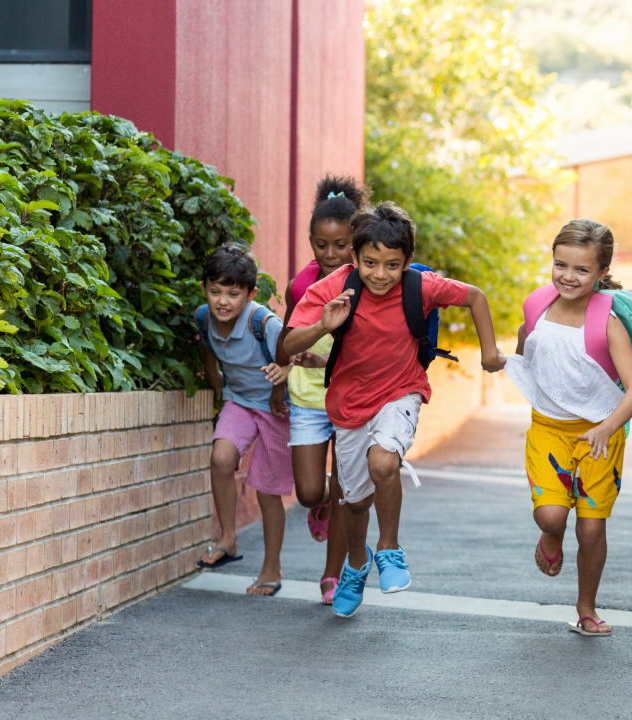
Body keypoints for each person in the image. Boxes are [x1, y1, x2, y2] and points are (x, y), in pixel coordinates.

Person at [282, 201, 506, 618]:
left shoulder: (421, 287)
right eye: (370, 263)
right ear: (355, 257)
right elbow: (288, 344)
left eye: (392, 265)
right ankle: (355, 564)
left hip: (401, 393)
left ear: (407, 261)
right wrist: (322, 327)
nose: (380, 275)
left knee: (383, 463)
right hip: (349, 405)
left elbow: (475, 296)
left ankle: (389, 548)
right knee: (352, 502)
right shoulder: (333, 287)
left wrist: (489, 353)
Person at [504, 218, 632, 638]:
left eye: (582, 270)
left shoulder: (608, 322)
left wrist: (606, 428)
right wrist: (505, 360)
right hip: (548, 429)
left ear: (601, 273)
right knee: (551, 516)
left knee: (591, 526)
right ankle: (552, 536)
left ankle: (586, 607)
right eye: (560, 265)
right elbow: (527, 344)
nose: (568, 276)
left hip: (601, 435)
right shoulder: (537, 306)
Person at [276, 175, 365, 604]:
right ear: (311, 241)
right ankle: (324, 503)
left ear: (357, 240)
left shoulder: (373, 280)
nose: (331, 255)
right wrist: (284, 374)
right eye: (321, 245)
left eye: (341, 244)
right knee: (311, 491)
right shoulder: (302, 285)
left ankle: (333, 574)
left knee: (348, 489)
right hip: (309, 397)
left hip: (353, 401)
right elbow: (286, 341)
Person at [195, 245, 294, 598]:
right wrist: (212, 378)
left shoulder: (263, 322)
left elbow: (291, 351)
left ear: (250, 293)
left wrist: (280, 383)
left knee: (267, 492)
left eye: (233, 293)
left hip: (274, 407)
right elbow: (208, 346)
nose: (223, 301)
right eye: (215, 290)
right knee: (221, 457)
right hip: (238, 401)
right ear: (205, 287)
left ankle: (271, 568)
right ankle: (228, 539)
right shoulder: (204, 316)